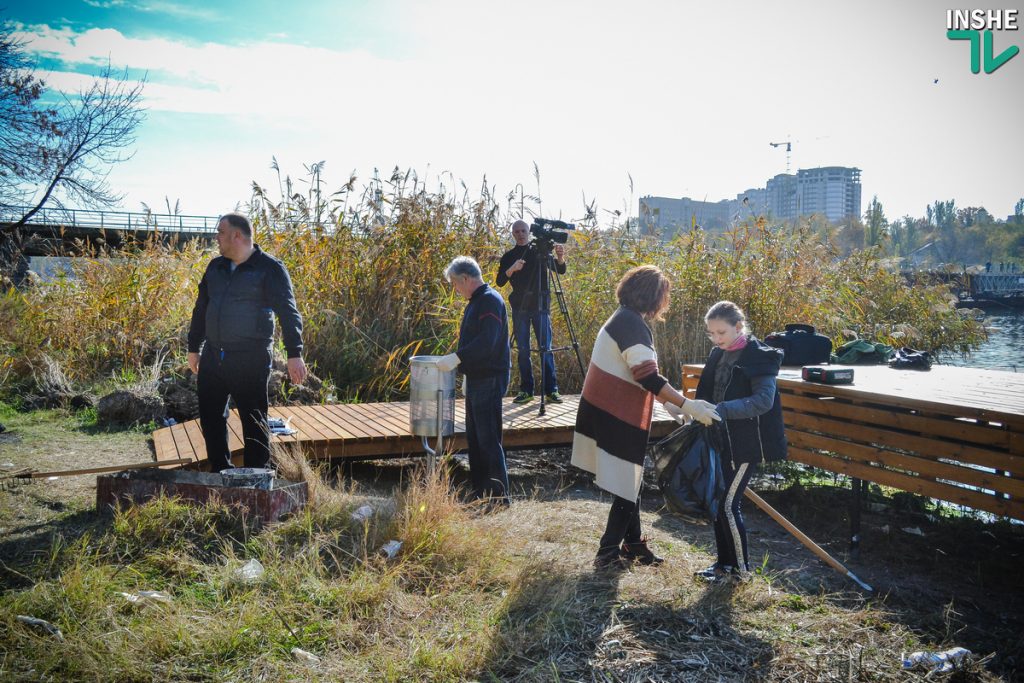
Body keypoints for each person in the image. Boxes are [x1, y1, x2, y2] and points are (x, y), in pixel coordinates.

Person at [572, 265, 721, 570]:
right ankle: (608, 552)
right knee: (628, 483)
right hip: (614, 413)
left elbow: (639, 375)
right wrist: (687, 405)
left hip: (607, 410)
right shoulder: (631, 325)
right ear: (654, 297)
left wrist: (671, 406)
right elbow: (647, 376)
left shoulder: (623, 318)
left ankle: (634, 545)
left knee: (630, 481)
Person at [187, 213, 307, 473]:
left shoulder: (270, 268)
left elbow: (288, 311)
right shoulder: (215, 267)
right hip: (213, 356)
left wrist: (294, 353)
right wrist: (193, 347)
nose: (216, 238)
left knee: (254, 422)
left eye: (220, 232)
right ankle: (222, 474)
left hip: (250, 358)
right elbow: (201, 308)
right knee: (211, 419)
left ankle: (258, 478)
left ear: (237, 236)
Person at [693, 301, 787, 582]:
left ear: (738, 327)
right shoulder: (716, 354)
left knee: (727, 505)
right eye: (711, 333)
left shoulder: (759, 357)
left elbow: (762, 402)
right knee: (717, 503)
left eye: (721, 332)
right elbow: (707, 394)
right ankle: (723, 566)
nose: (716, 339)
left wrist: (721, 410)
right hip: (719, 441)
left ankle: (742, 572)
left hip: (747, 446)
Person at [437, 256, 512, 504]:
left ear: (466, 278)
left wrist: (457, 358)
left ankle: (499, 497)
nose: (456, 290)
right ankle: (481, 492)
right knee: (476, 437)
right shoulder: (477, 301)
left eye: (456, 284)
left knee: (488, 438)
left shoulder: (489, 300)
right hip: (477, 377)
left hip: (489, 378)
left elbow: (487, 342)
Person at [496, 219, 567, 404]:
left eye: (523, 231)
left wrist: (559, 257)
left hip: (541, 306)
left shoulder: (539, 252)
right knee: (523, 350)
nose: (520, 234)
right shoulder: (509, 256)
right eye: (517, 231)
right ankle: (526, 390)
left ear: (529, 232)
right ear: (513, 234)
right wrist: (512, 269)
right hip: (520, 307)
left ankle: (552, 390)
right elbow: (500, 281)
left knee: (546, 348)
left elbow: (560, 270)